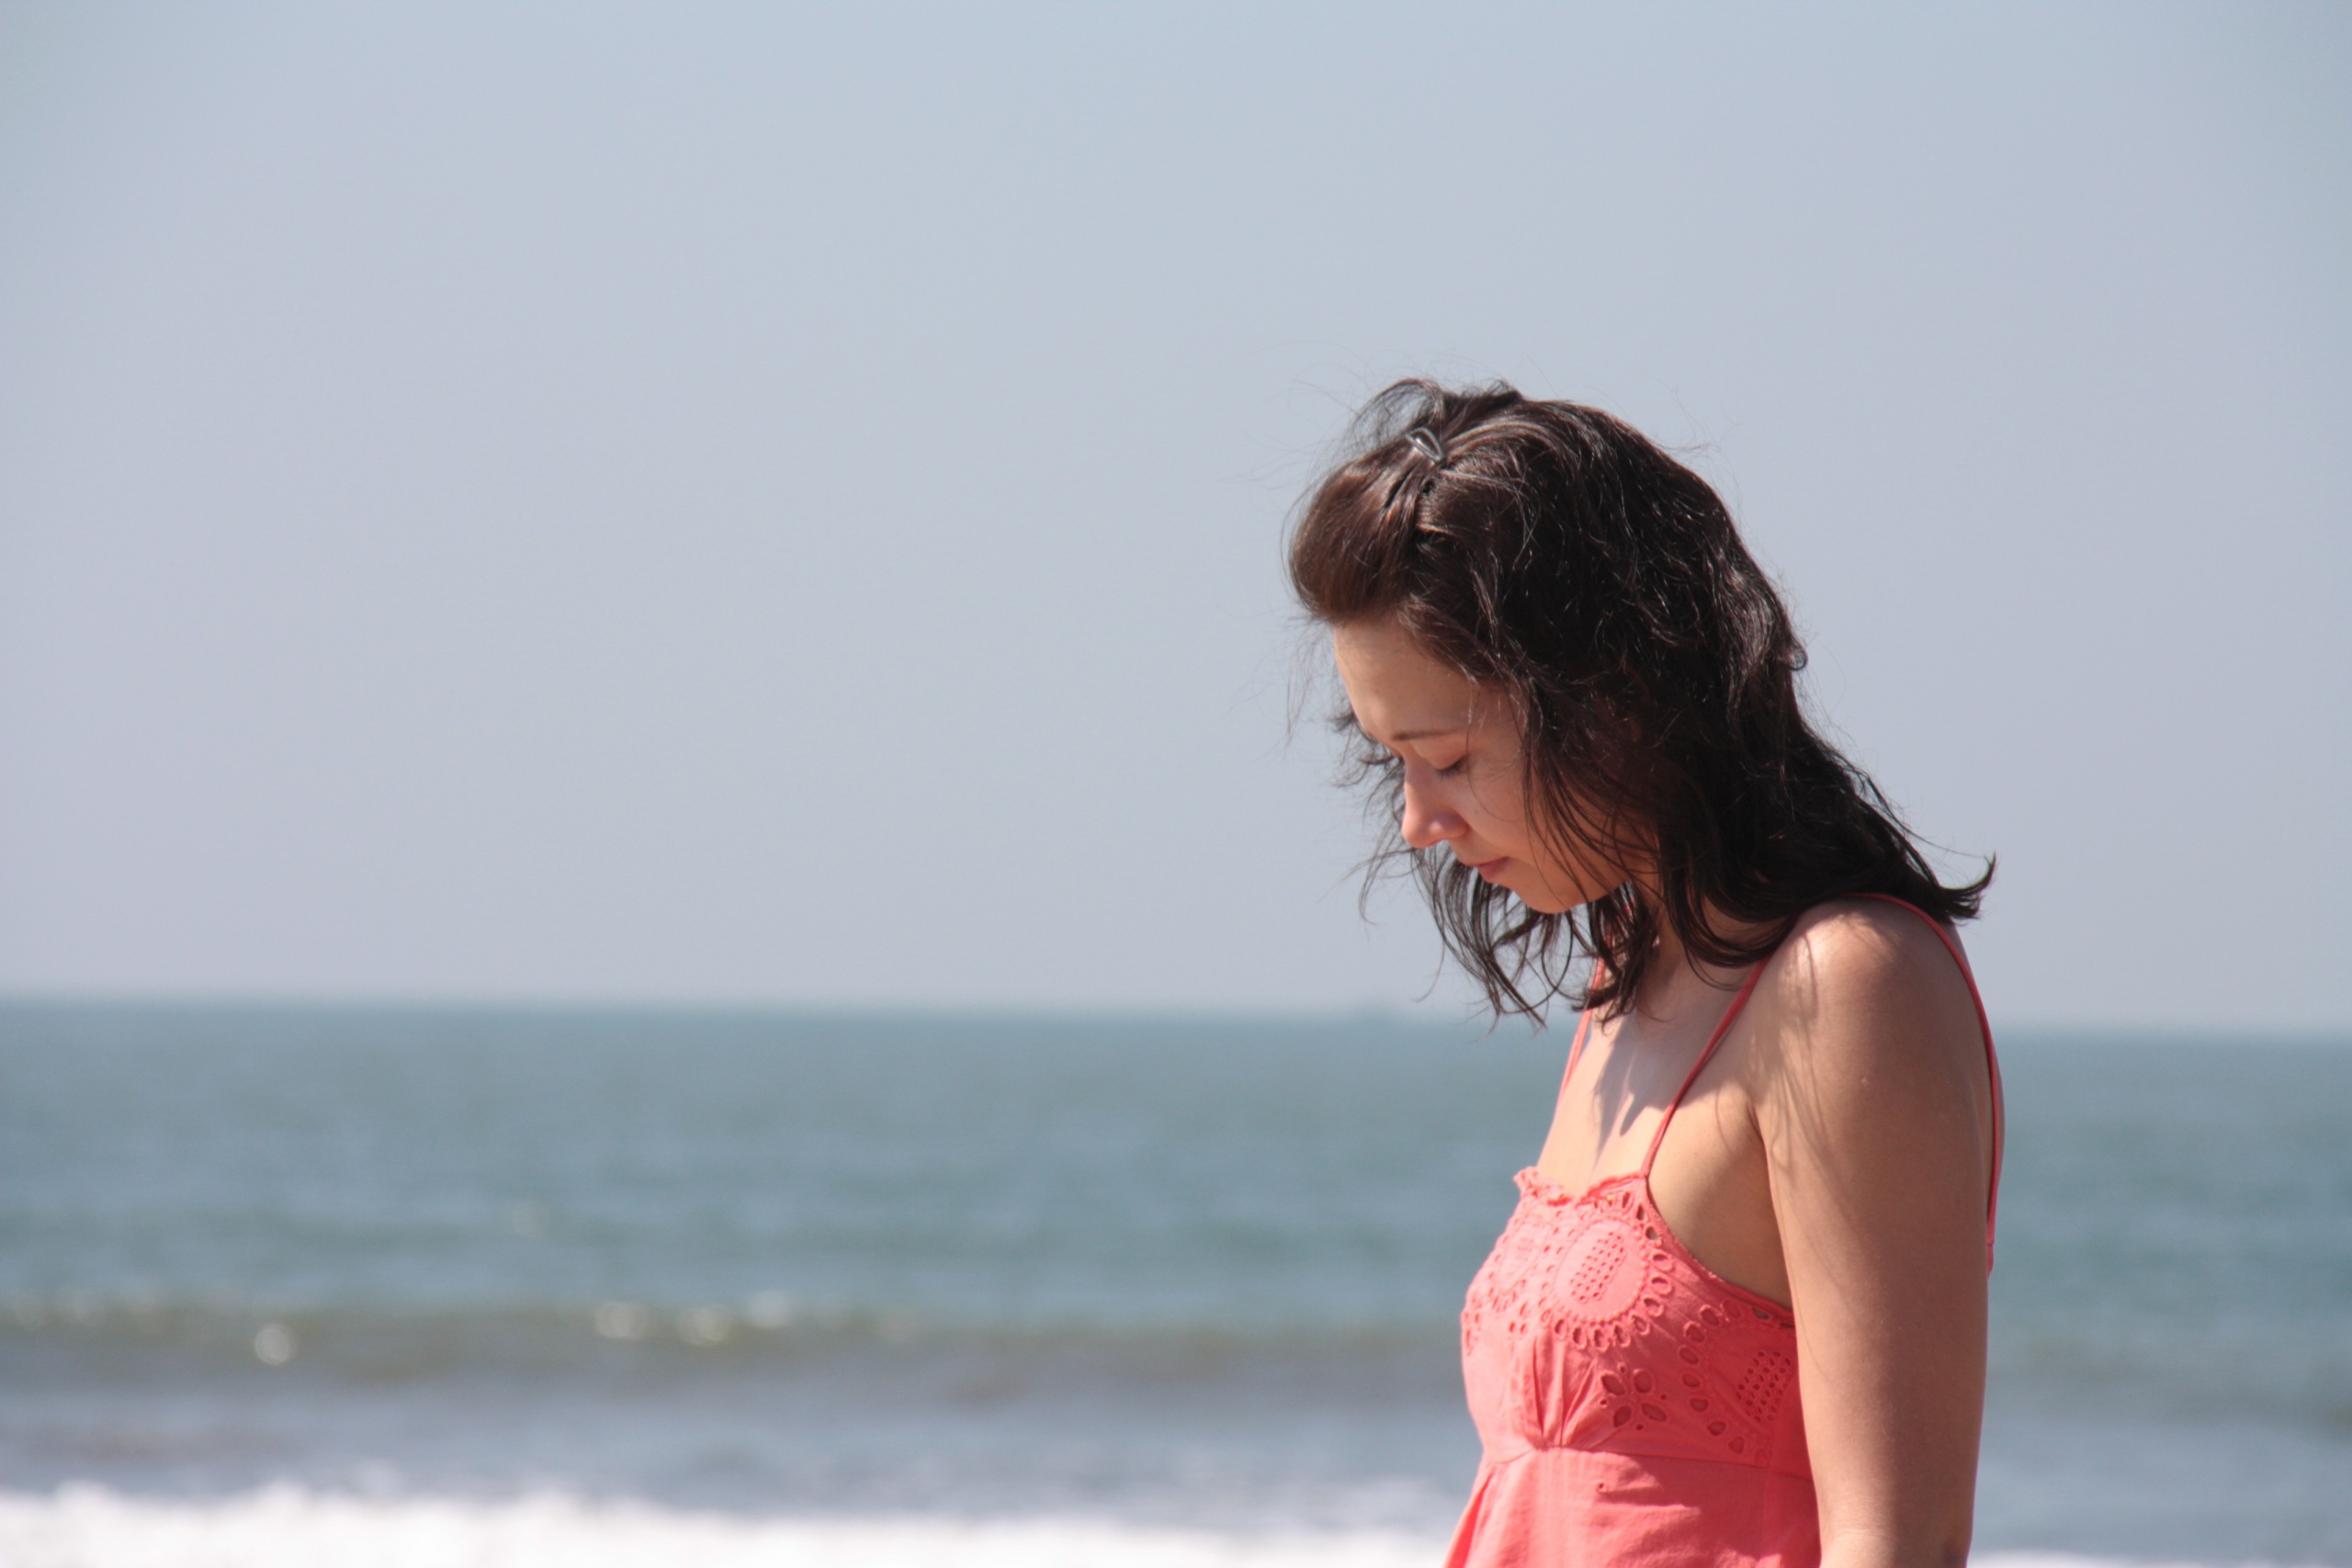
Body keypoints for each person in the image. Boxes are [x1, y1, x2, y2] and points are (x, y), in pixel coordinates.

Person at [1287, 382, 2003, 1568]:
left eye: (1448, 757)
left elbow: (1902, 1542)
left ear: (1616, 694)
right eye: (1393, 764)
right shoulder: (1628, 975)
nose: (1418, 821)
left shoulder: (1846, 986)